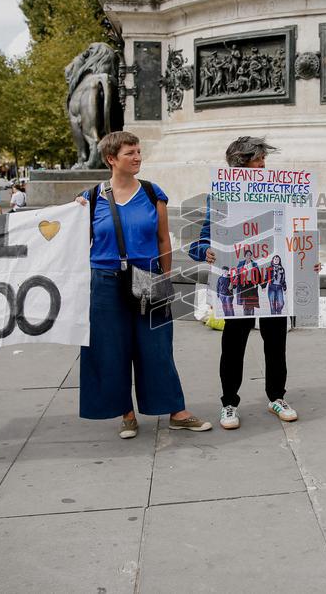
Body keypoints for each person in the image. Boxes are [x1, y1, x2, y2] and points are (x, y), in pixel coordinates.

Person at [76, 131, 211, 438]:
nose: (137, 157)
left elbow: (163, 239)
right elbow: (77, 242)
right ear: (112, 159)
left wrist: (165, 276)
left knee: (157, 347)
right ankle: (126, 413)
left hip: (149, 278)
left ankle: (176, 411)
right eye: (130, 153)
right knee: (111, 348)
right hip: (105, 282)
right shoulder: (92, 197)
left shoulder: (152, 193)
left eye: (138, 151)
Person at [189, 136, 320, 430]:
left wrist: (307, 260)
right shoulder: (220, 198)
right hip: (240, 283)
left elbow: (298, 232)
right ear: (241, 164)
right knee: (233, 344)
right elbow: (198, 243)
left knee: (277, 343)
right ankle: (229, 403)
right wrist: (206, 251)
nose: (263, 165)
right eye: (258, 160)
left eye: (263, 160)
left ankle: (276, 396)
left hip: (273, 282)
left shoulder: (282, 194)